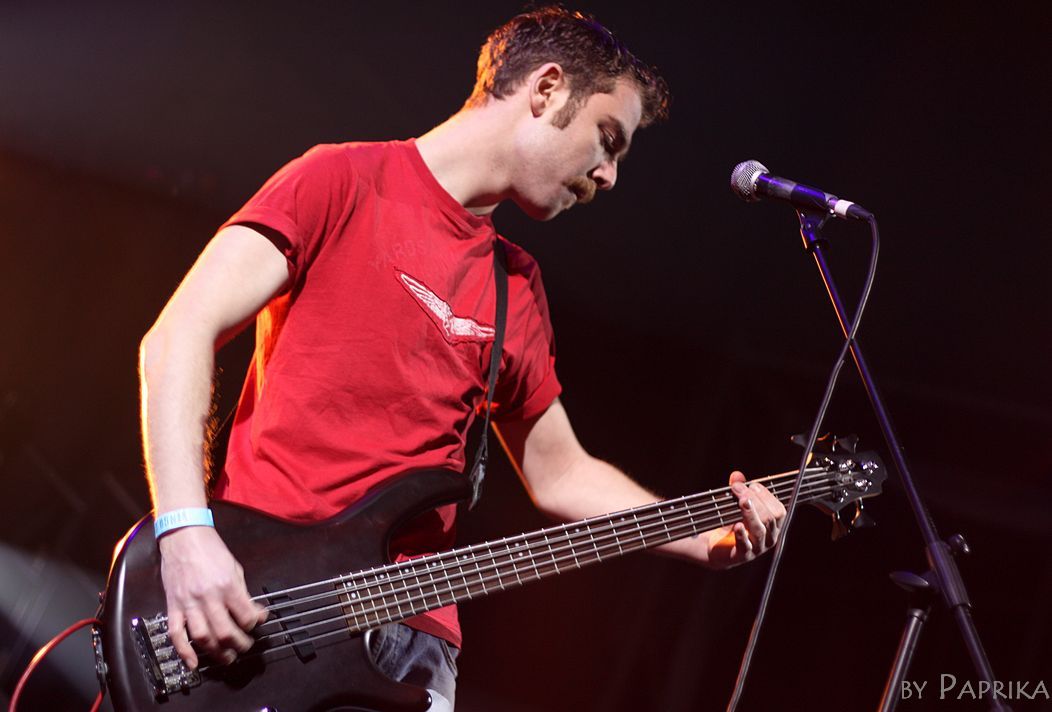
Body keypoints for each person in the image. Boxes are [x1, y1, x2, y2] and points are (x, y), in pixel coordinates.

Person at [138, 7, 786, 710]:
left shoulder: (517, 287)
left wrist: (707, 535)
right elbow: (180, 334)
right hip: (256, 598)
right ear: (546, 89)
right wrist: (184, 533)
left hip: (414, 642)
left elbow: (561, 472)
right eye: (608, 140)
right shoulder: (340, 179)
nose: (609, 176)